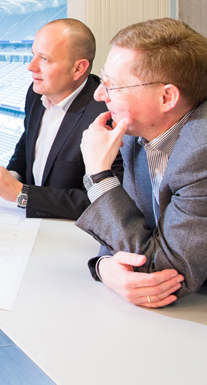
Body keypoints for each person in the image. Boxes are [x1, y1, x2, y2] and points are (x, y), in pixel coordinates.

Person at [76, 17, 207, 307]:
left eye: (112, 86)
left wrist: (99, 175)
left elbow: (165, 274)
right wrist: (106, 267)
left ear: (166, 97)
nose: (99, 94)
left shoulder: (202, 150)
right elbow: (129, 231)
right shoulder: (139, 134)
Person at [0, 19, 123, 220]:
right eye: (33, 55)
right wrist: (13, 175)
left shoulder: (105, 116)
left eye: (44, 59)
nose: (31, 67)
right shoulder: (36, 92)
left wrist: (23, 194)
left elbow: (103, 201)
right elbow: (27, 141)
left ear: (79, 68)